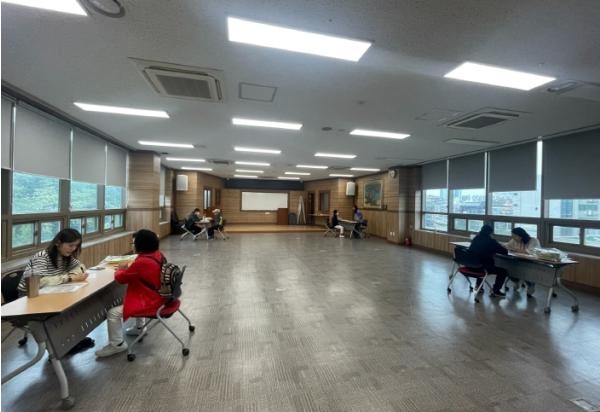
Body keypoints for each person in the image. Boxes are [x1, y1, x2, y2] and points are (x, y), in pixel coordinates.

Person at [18, 228, 94, 353]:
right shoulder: (42, 257)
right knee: (62, 311)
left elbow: (80, 267)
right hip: (29, 297)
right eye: (70, 245)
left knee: (75, 304)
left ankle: (72, 339)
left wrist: (71, 276)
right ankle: (61, 345)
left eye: (76, 246)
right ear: (58, 243)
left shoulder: (66, 256)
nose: (73, 249)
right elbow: (39, 282)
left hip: (50, 292)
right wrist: (69, 277)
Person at [95, 229, 166, 358]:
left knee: (113, 313)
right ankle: (139, 328)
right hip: (158, 296)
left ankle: (117, 344)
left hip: (150, 301)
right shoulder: (157, 255)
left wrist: (120, 269)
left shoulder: (142, 262)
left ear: (141, 245)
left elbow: (121, 279)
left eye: (134, 243)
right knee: (135, 294)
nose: (133, 246)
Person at [468, 224, 509, 297]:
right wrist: (500, 245)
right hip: (482, 268)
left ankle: (478, 286)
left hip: (470, 266)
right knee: (503, 271)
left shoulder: (476, 239)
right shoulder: (491, 241)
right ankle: (496, 290)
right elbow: (504, 251)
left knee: (480, 263)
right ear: (490, 233)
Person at [506, 227, 541, 297]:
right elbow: (507, 246)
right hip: (517, 261)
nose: (513, 238)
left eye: (515, 236)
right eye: (512, 236)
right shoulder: (514, 240)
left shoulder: (533, 240)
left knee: (526, 272)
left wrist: (515, 250)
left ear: (521, 236)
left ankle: (530, 285)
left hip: (531, 263)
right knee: (508, 268)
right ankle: (516, 281)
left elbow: (530, 252)